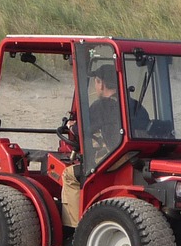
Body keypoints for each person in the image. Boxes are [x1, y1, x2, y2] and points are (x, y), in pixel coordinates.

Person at [59, 65, 148, 227]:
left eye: (95, 82)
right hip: (133, 158)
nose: (95, 86)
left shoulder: (101, 106)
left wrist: (72, 126)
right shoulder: (136, 106)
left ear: (100, 83)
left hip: (112, 161)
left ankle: (75, 227)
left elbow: (80, 130)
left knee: (69, 175)